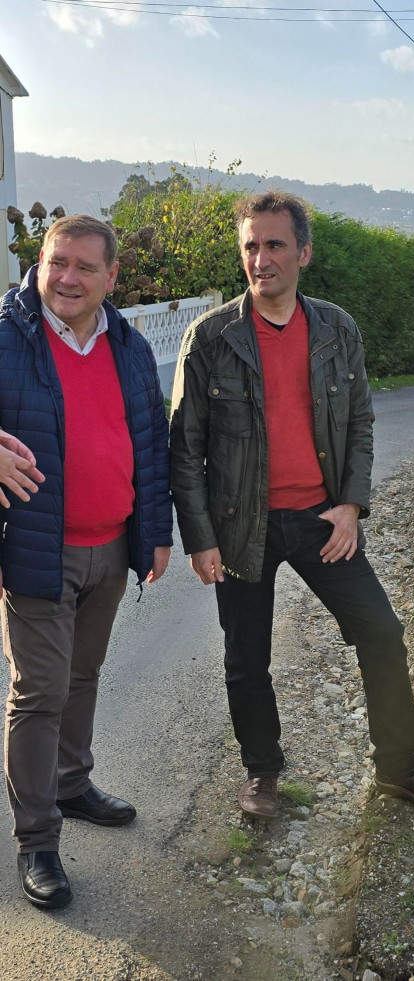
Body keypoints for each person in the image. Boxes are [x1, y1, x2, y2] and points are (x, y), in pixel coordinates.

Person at [170, 191, 414, 822]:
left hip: (322, 521)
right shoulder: (211, 337)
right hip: (241, 529)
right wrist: (200, 538)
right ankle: (262, 775)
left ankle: (400, 770)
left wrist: (353, 505)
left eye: (274, 245)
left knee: (381, 633)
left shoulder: (336, 329)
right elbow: (184, 446)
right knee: (247, 657)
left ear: (303, 252)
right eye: (251, 245)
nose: (260, 258)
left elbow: (358, 422)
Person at [0, 214, 173, 909]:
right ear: (39, 263)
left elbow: (150, 440)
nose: (66, 277)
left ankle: (71, 784)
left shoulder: (126, 344)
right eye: (55, 262)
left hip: (111, 542)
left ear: (111, 276)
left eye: (83, 266)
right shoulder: (9, 335)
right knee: (39, 692)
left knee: (82, 675)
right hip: (36, 544)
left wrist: (153, 532)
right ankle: (36, 837)